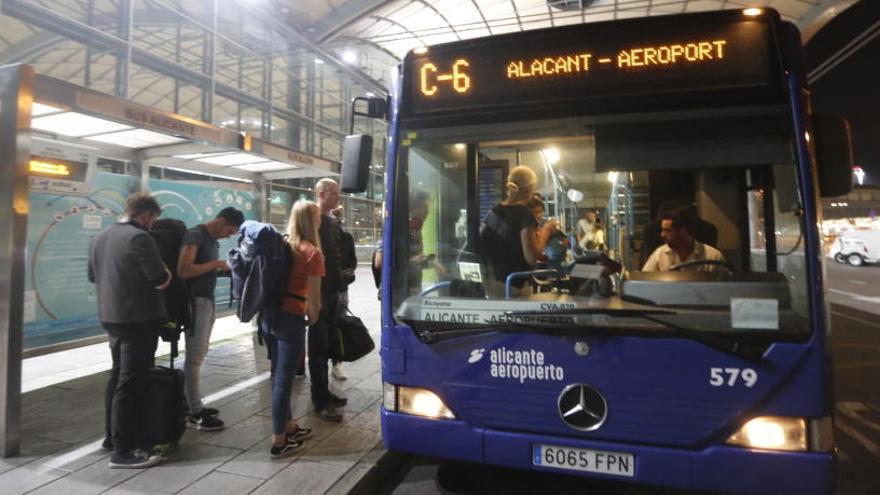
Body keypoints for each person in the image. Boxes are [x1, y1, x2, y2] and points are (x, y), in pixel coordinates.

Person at [88, 192, 170, 469]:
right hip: (139, 320)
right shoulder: (140, 238)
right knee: (131, 382)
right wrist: (167, 272)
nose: (152, 225)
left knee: (117, 377)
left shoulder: (101, 237)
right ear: (145, 215)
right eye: (153, 220)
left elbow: (92, 275)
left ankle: (112, 438)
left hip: (111, 318)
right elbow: (160, 280)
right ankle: (123, 452)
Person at [263, 200, 322, 458]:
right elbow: (316, 302)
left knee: (278, 374)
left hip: (269, 316)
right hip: (291, 317)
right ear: (312, 221)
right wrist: (313, 318)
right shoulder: (312, 252)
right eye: (318, 217)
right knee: (284, 379)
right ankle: (279, 440)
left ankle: (288, 426)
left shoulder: (283, 245)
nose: (321, 220)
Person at [177, 207, 245, 430]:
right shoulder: (196, 235)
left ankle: (192, 404)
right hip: (194, 302)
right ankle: (194, 412)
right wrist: (215, 264)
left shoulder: (211, 240)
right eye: (229, 230)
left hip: (206, 300)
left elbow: (200, 269)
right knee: (195, 357)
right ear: (221, 221)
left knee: (200, 353)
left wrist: (222, 270)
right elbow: (184, 270)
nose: (228, 235)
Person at [479, 166, 557, 295]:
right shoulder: (524, 213)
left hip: (490, 282)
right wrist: (547, 230)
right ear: (528, 189)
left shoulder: (493, 211)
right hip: (513, 284)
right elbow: (531, 257)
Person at [311, 178, 348, 421]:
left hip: (335, 291)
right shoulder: (311, 218)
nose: (338, 198)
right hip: (320, 292)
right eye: (334, 194)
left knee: (330, 345)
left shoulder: (333, 221)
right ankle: (320, 400)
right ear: (322, 194)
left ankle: (325, 392)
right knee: (318, 348)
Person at [642, 207, 726, 272]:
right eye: (662, 230)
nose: (662, 235)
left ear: (683, 231)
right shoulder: (659, 254)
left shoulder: (714, 257)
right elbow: (644, 284)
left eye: (667, 230)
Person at [331, 205, 357, 381]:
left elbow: (352, 261)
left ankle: (337, 363)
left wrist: (348, 271)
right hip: (324, 287)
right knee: (324, 327)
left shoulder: (346, 238)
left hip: (340, 288)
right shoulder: (318, 235)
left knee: (339, 324)